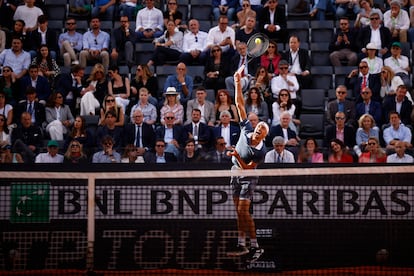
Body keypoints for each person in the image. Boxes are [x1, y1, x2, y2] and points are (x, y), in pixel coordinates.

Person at [225, 68, 268, 263]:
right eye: (258, 126)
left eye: (261, 130)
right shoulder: (246, 128)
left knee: (244, 210)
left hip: (248, 176)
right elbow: (239, 103)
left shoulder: (261, 151)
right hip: (234, 172)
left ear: (264, 135)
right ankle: (241, 243)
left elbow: (249, 167)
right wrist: (237, 82)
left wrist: (235, 154)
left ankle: (256, 246)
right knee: (238, 211)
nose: (258, 129)